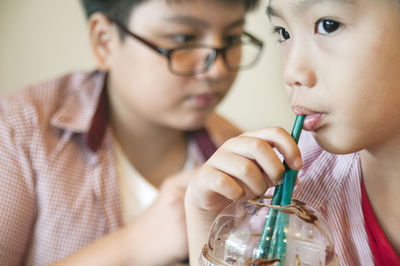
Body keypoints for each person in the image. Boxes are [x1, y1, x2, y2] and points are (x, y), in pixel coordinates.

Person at [0, 0, 264, 265]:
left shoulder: (243, 164)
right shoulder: (17, 131)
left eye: (232, 38)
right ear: (104, 41)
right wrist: (135, 245)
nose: (217, 69)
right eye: (184, 39)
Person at [185, 0, 400, 265]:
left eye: (328, 26)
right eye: (283, 33)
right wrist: (208, 230)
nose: (291, 72)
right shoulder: (291, 209)